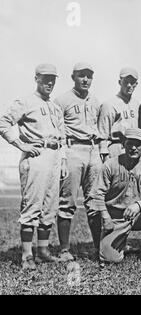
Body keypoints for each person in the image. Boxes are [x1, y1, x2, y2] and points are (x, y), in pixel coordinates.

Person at [0, 64, 67, 270]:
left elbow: (62, 136)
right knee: (32, 206)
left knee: (49, 207)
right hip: (36, 156)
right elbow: (3, 123)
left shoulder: (55, 106)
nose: (49, 82)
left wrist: (63, 161)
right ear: (36, 78)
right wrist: (21, 144)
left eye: (53, 79)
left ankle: (43, 251)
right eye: (45, 78)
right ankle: (27, 255)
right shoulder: (26, 101)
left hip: (54, 156)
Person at [87, 128, 141, 265]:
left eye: (137, 144)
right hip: (116, 217)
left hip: (139, 214)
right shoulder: (111, 165)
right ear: (123, 143)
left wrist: (139, 205)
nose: (133, 148)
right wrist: (106, 217)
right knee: (111, 259)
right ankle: (114, 244)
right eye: (129, 143)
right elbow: (97, 194)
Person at [54, 62, 103, 261]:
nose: (85, 79)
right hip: (73, 149)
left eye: (89, 76)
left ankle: (99, 247)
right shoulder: (62, 100)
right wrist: (63, 157)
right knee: (68, 202)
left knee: (96, 201)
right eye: (81, 75)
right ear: (73, 77)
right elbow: (58, 132)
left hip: (93, 149)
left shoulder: (95, 100)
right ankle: (65, 249)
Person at [98, 67, 140, 160]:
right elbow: (102, 135)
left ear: (136, 84)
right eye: (126, 82)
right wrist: (105, 156)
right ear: (120, 82)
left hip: (134, 148)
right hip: (117, 147)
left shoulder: (137, 104)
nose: (129, 85)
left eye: (132, 82)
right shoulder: (109, 104)